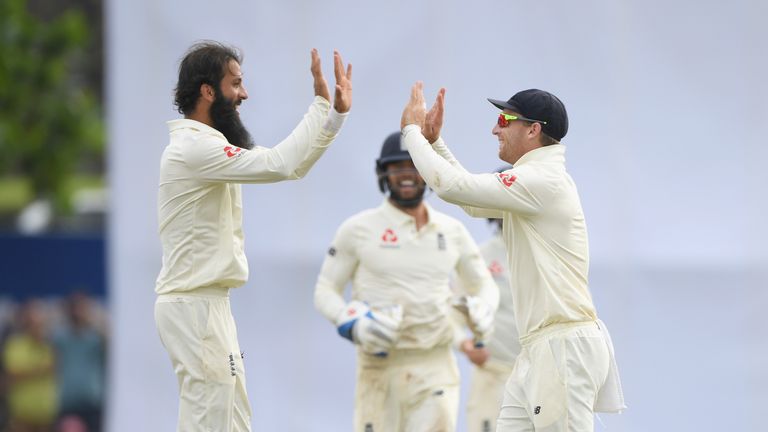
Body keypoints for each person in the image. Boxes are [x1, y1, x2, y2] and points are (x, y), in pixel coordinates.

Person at [400, 83, 625, 431]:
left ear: (534, 130)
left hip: (562, 347)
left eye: (505, 119)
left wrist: (411, 132)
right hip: (539, 348)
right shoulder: (534, 179)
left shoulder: (543, 179)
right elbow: (472, 200)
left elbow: (451, 187)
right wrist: (434, 143)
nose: (495, 128)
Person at [154, 41, 352, 432]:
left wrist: (334, 119)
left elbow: (290, 168)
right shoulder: (194, 148)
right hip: (194, 305)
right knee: (210, 422)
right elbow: (280, 164)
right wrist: (319, 106)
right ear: (208, 90)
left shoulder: (209, 146)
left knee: (234, 421)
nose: (243, 94)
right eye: (236, 84)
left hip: (208, 304)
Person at [313, 132, 499, 432]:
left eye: (414, 166)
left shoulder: (452, 230)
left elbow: (485, 285)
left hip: (435, 366)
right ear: (383, 172)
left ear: (428, 172)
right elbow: (325, 292)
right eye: (398, 167)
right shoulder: (358, 229)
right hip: (380, 367)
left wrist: (484, 309)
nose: (407, 175)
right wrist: (353, 323)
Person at [458, 209, 521, 432]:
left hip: (543, 375)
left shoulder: (551, 255)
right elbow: (452, 311)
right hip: (494, 373)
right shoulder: (480, 257)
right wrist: (464, 344)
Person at [52, 292, 107, 432]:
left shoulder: (97, 337)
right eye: (75, 308)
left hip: (92, 401)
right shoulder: (59, 337)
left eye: (82, 308)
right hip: (68, 401)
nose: (78, 312)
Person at [2, 300, 58, 432]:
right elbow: (12, 374)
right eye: (32, 321)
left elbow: (56, 370)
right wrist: (41, 370)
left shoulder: (49, 345)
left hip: (46, 415)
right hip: (22, 416)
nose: (37, 325)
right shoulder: (14, 344)